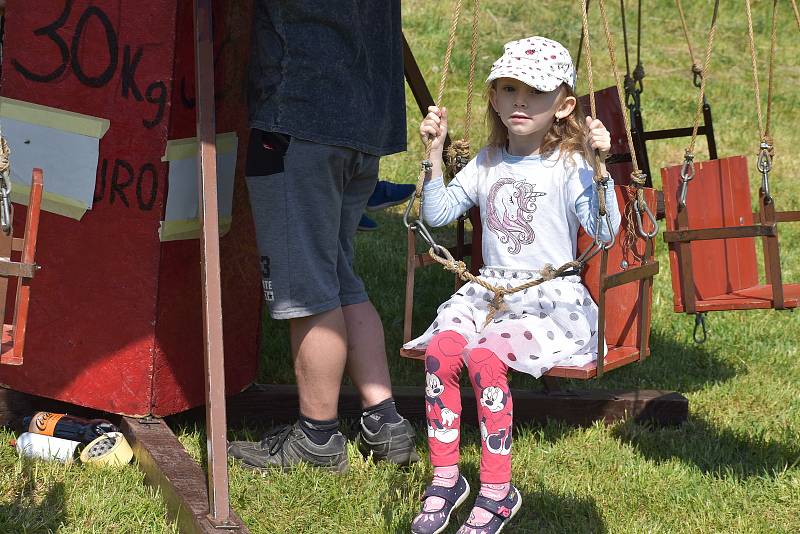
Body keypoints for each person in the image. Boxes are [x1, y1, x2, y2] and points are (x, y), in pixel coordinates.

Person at [405, 36, 620, 533]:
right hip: (489, 293)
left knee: (483, 359)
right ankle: (446, 476)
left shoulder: (569, 167)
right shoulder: (486, 162)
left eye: (535, 93)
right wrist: (434, 155)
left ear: (564, 106)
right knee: (441, 351)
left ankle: (498, 489)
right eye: (508, 89)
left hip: (547, 300)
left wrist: (601, 167)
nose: (519, 102)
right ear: (494, 99)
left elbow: (605, 232)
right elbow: (436, 213)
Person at [227, 1, 418, 473]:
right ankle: (385, 422)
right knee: (338, 274)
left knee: (309, 289)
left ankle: (316, 437)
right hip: (362, 123)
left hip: (301, 114)